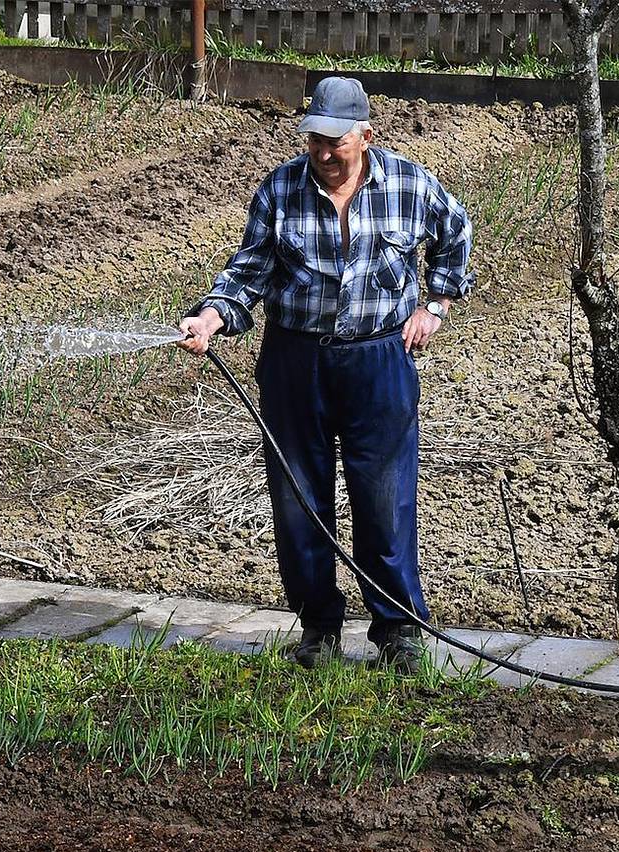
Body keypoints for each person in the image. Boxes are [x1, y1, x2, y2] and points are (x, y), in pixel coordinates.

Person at [178, 76, 473, 673]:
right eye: (316, 140)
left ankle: (397, 631)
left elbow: (455, 237)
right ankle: (318, 628)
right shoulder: (281, 189)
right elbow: (250, 270)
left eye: (337, 142)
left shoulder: (411, 185)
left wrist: (434, 305)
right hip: (295, 360)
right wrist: (211, 317)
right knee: (298, 501)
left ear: (366, 135)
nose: (325, 154)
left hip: (378, 360)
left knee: (384, 498)